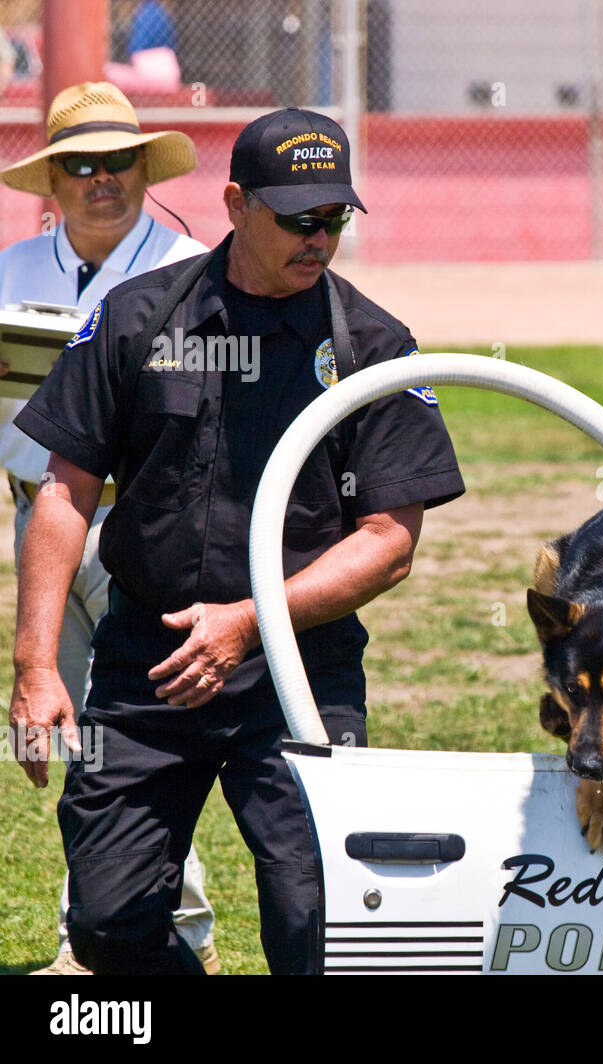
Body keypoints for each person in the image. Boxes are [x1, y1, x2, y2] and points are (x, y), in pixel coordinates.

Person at [8, 106, 465, 975]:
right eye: (299, 219)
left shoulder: (373, 345)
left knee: (319, 917)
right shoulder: (138, 318)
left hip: (299, 667)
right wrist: (35, 666)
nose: (320, 238)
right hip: (151, 657)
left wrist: (250, 622)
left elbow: (391, 538)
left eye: (335, 218)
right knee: (105, 922)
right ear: (236, 204)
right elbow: (63, 487)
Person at [0, 81, 219, 976]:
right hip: (39, 523)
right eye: (80, 164)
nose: (101, 179)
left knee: (140, 747)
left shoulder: (197, 267)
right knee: (77, 740)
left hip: (147, 529)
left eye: (118, 161)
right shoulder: (9, 270)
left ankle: (171, 936)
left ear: (143, 168)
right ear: (51, 180)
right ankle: (100, 938)